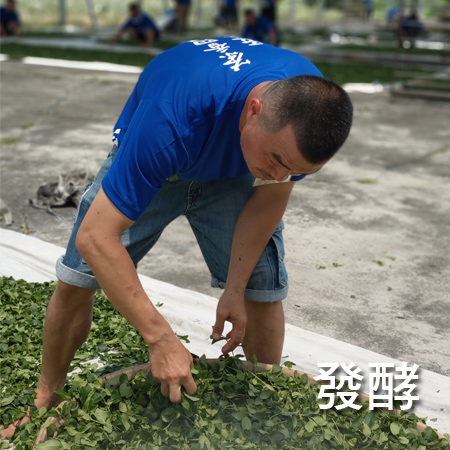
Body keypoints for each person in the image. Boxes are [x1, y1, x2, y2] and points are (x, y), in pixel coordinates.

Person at [0, 36, 353, 439]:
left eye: (294, 170)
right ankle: (47, 397)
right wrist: (161, 339)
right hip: (165, 162)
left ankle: (261, 411)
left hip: (232, 169)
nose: (279, 176)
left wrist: (235, 288)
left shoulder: (305, 117)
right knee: (78, 280)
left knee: (263, 291)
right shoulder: (170, 119)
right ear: (254, 110)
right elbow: (96, 238)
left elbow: (270, 196)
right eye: (276, 161)